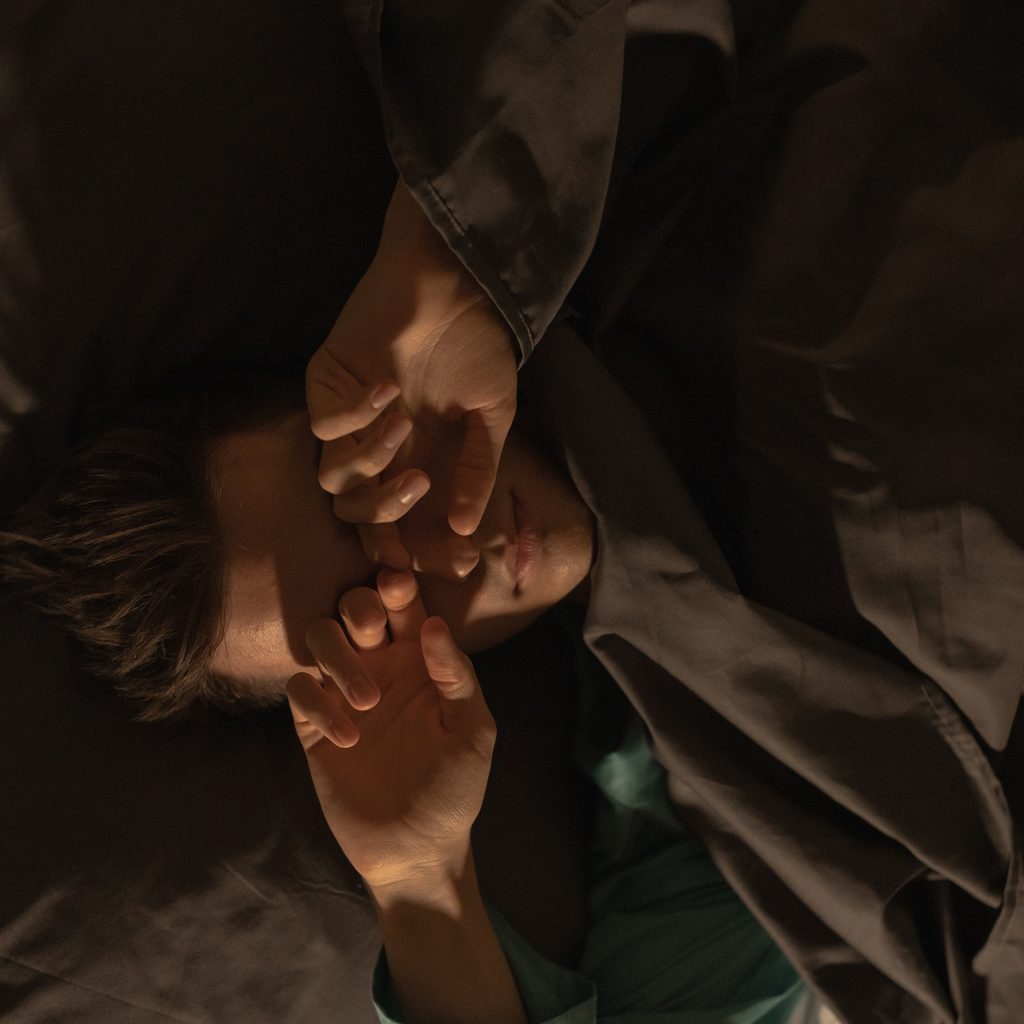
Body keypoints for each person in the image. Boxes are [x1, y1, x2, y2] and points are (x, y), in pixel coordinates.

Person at [0, 345, 807, 1022]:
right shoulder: (669, 783)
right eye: (369, 621)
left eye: (363, 503)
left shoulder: (596, 289)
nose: (448, 547)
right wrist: (420, 876)